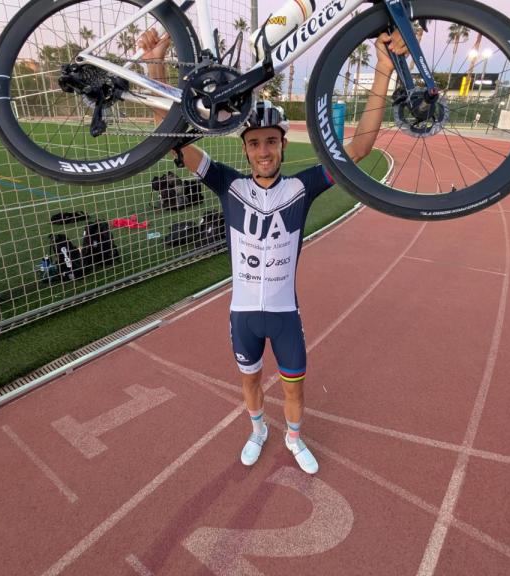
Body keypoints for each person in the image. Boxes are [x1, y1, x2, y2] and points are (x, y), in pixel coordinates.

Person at [139, 29, 406, 474]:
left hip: (284, 315)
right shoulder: (228, 183)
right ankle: (258, 429)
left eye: (271, 141)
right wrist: (155, 66)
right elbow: (172, 138)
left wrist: (383, 68)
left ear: (283, 144)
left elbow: (358, 150)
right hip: (242, 314)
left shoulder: (303, 187)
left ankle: (293, 437)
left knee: (296, 388)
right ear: (244, 148)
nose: (263, 151)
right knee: (249, 382)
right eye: (255, 143)